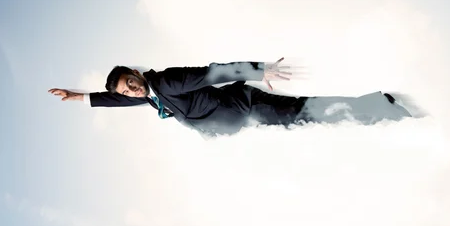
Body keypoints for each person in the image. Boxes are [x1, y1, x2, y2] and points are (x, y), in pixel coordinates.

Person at [48, 57, 413, 139]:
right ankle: (376, 109)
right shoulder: (149, 96)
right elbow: (111, 100)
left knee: (308, 113)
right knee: (306, 121)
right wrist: (77, 96)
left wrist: (257, 69)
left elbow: (213, 73)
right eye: (127, 90)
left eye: (131, 82)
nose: (132, 90)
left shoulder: (168, 83)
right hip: (243, 119)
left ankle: (380, 106)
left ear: (138, 73)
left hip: (249, 105)